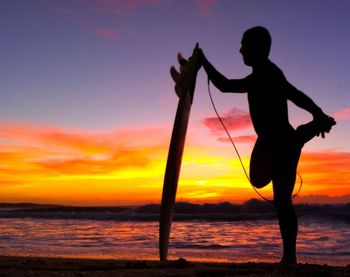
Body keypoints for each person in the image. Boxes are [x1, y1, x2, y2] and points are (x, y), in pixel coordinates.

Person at [196, 26, 336, 264]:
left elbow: (293, 94)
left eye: (244, 45)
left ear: (258, 48)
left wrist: (203, 61)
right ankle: (305, 133)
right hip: (272, 142)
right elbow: (295, 93)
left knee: (282, 201)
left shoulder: (268, 74)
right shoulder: (263, 73)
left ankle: (289, 258)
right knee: (265, 186)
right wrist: (319, 114)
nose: (240, 50)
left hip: (280, 143)